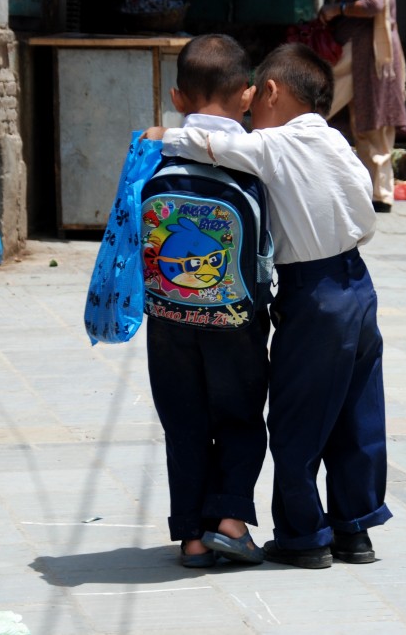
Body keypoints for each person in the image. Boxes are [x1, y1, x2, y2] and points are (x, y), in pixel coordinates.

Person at [145, 42, 391, 569]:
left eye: (256, 104)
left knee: (296, 421)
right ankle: (355, 530)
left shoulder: (274, 145)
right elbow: (365, 210)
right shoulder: (338, 143)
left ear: (272, 92)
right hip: (358, 286)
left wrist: (165, 134)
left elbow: (213, 145)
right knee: (357, 413)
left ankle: (304, 537)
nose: (251, 114)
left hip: (311, 294)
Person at [143, 34, 269, 569]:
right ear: (248, 96)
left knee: (184, 420)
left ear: (177, 96)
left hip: (168, 316)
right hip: (237, 315)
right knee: (240, 415)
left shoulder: (156, 152)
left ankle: (192, 537)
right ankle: (231, 522)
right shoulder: (257, 157)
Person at [318, 0, 406, 213]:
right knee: (372, 123)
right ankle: (380, 192)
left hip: (362, 54)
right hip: (376, 54)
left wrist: (337, 9)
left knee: (316, 110)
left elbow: (373, 4)